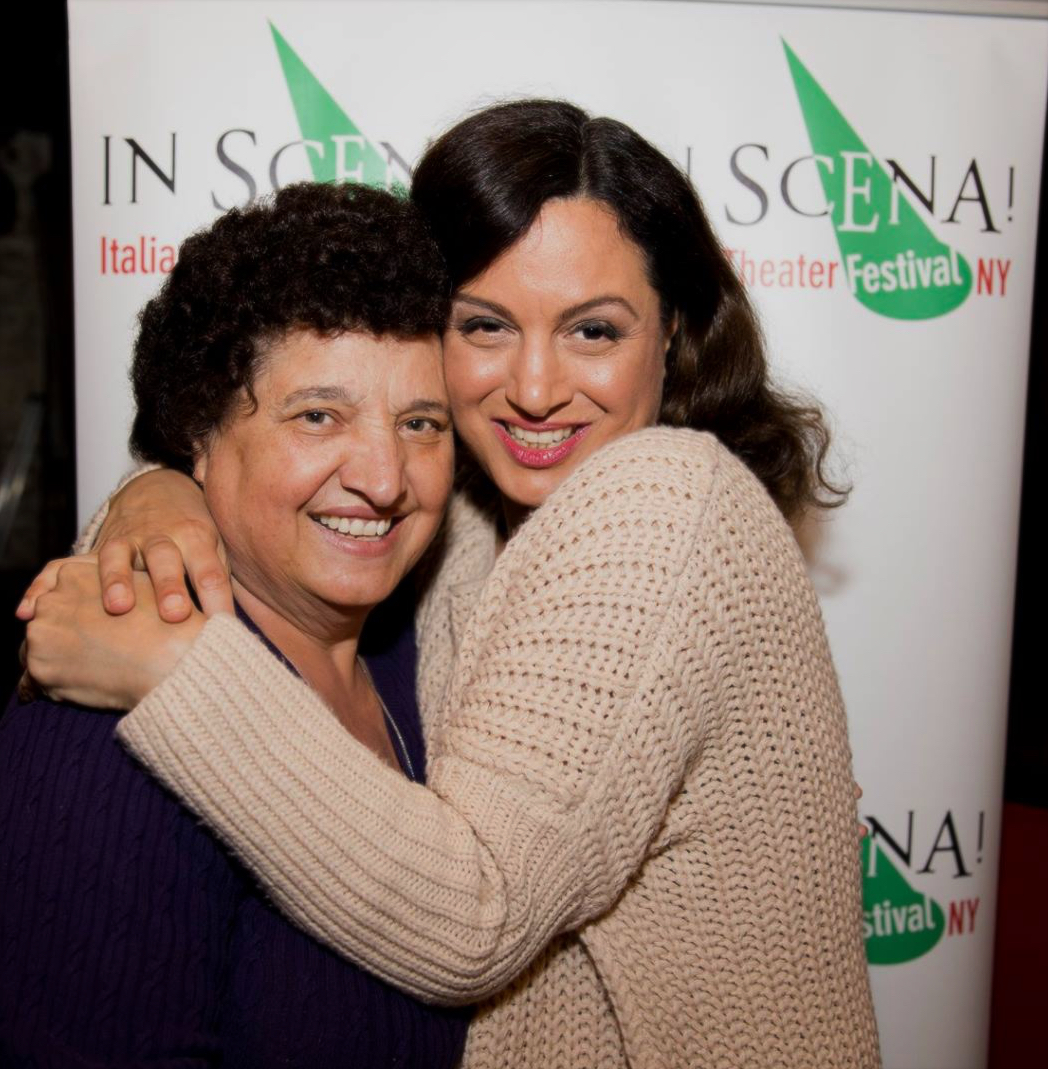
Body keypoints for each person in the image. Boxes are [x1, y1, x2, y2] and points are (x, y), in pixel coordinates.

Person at [21, 100, 881, 1068]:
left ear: (673, 329)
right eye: (485, 326)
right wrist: (154, 498)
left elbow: (479, 915)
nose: (535, 384)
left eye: (594, 330)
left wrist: (181, 666)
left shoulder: (664, 495)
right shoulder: (466, 517)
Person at [0, 181, 472, 1068]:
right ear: (198, 435)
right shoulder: (103, 721)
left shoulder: (426, 654)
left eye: (420, 423)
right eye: (318, 415)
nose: (383, 474)